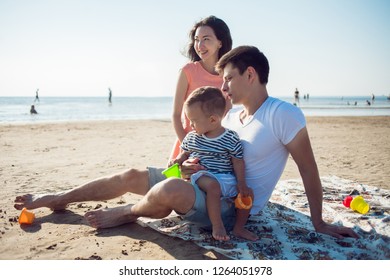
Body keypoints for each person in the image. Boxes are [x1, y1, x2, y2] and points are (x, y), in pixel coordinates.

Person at [14, 45, 359, 241]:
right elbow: (205, 148)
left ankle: (127, 213)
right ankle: (59, 198)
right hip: (199, 181)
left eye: (228, 80)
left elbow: (308, 169)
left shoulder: (283, 114)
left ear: (250, 75)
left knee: (169, 191)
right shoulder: (232, 117)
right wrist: (185, 164)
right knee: (133, 174)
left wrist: (318, 222)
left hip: (227, 204)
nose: (223, 88)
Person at [171, 86, 256, 241]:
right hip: (203, 175)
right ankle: (217, 225)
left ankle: (238, 228)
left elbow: (238, 161)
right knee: (212, 186)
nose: (190, 125)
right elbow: (184, 153)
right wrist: (177, 160)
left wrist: (242, 183)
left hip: (225, 178)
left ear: (213, 119)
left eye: (194, 121)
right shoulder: (192, 137)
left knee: (248, 193)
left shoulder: (230, 138)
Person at [169, 15, 233, 163]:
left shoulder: (228, 76)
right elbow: (176, 115)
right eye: (197, 40)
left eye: (206, 39)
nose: (200, 45)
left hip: (216, 151)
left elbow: (228, 118)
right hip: (187, 149)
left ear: (220, 42)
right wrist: (189, 148)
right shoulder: (187, 71)